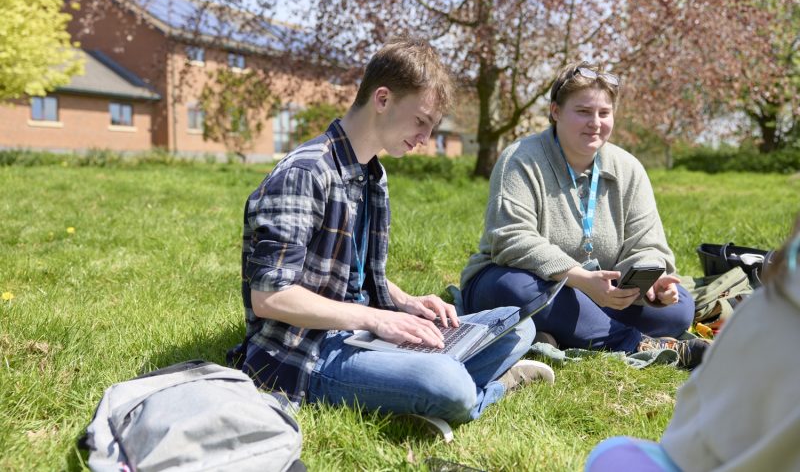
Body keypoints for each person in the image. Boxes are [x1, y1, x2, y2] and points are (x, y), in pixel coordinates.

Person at [227, 38, 553, 425]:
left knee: (519, 326)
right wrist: (375, 320)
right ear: (382, 99)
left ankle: (418, 383)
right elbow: (271, 296)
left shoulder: (371, 175)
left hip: (360, 330)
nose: (424, 139)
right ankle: (480, 389)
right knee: (449, 385)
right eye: (421, 121)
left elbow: (348, 274)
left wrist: (402, 302)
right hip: (308, 353)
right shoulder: (304, 174)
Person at [459, 62, 707, 369]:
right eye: (583, 111)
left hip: (601, 293)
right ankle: (636, 344)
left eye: (604, 113)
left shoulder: (628, 168)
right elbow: (510, 237)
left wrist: (652, 283)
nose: (596, 123)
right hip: (525, 282)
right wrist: (581, 279)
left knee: (678, 309)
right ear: (555, 112)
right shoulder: (520, 159)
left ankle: (555, 334)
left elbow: (647, 243)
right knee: (513, 290)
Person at [585, 214, 800, 471]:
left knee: (611, 453)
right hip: (552, 286)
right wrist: (577, 277)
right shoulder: (761, 310)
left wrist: (650, 276)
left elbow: (689, 444)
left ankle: (621, 338)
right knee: (525, 290)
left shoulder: (760, 312)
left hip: (697, 455)